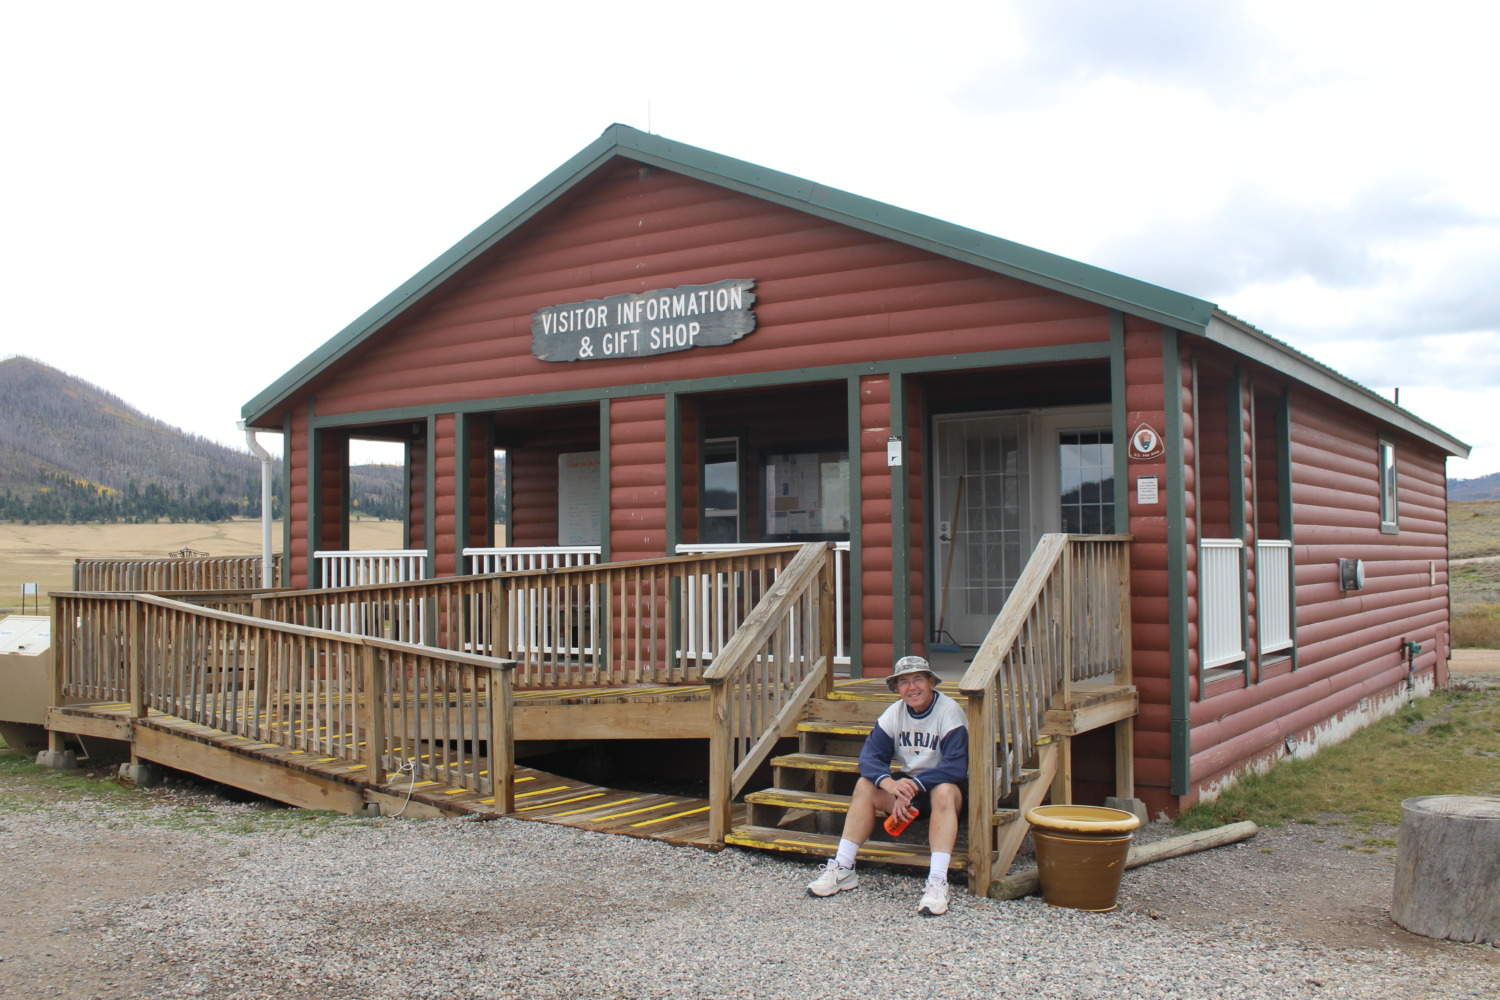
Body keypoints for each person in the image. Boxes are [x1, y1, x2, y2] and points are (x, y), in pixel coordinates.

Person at [805, 654, 968, 915]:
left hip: (945, 789)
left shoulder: (949, 712)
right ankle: (844, 867)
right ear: (896, 688)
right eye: (903, 682)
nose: (911, 688)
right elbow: (869, 758)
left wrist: (915, 785)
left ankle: (937, 881)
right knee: (864, 786)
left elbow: (956, 766)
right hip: (907, 792)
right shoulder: (894, 713)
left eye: (918, 679)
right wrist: (891, 785)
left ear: (931, 682)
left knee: (945, 791)